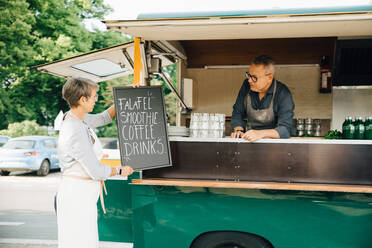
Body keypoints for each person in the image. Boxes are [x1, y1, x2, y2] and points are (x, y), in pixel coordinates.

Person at [56, 77, 133, 248]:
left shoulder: (77, 118)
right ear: (82, 100)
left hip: (81, 194)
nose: (96, 99)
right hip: (77, 196)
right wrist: (120, 171)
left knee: (84, 241)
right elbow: (97, 171)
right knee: (80, 243)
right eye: (94, 96)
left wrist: (125, 96)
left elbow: (102, 118)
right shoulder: (74, 129)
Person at [231, 55, 295, 142]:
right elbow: (237, 112)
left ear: (269, 77)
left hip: (274, 145)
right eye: (248, 75)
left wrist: (260, 134)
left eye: (254, 77)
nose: (249, 80)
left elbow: (285, 130)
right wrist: (239, 130)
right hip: (249, 141)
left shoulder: (282, 93)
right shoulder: (247, 86)